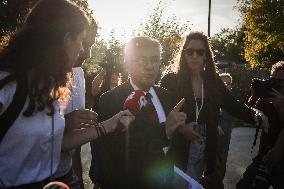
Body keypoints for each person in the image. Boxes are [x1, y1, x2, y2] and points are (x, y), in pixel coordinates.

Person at [0, 0, 133, 188]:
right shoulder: (6, 85)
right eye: (81, 41)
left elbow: (57, 143)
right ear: (66, 39)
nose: (82, 50)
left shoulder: (53, 85)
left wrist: (108, 125)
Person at [160, 31, 269, 189]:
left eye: (200, 52)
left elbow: (233, 105)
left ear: (206, 56)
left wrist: (255, 114)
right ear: (184, 54)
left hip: (204, 149)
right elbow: (161, 112)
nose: (195, 56)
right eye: (190, 51)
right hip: (177, 147)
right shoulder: (170, 80)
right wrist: (182, 129)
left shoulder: (214, 82)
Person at [89, 36, 190, 189]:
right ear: (127, 65)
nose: (150, 66)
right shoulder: (110, 100)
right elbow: (116, 150)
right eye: (142, 60)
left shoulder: (167, 97)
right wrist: (164, 131)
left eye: (155, 59)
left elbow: (172, 147)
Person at [53, 18, 97, 189]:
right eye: (84, 44)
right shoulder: (29, 79)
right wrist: (65, 123)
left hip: (67, 172)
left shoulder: (78, 74)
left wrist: (77, 179)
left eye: (91, 45)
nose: (87, 53)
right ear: (65, 38)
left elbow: (76, 145)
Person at [237, 61, 284, 189]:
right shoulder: (266, 99)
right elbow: (248, 113)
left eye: (279, 82)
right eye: (271, 80)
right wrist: (255, 95)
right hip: (265, 154)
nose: (274, 85)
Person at [215, 73, 235, 181]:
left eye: (228, 83)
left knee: (220, 175)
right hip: (210, 149)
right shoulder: (210, 101)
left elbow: (244, 111)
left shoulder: (232, 104)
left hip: (224, 148)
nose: (226, 85)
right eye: (222, 83)